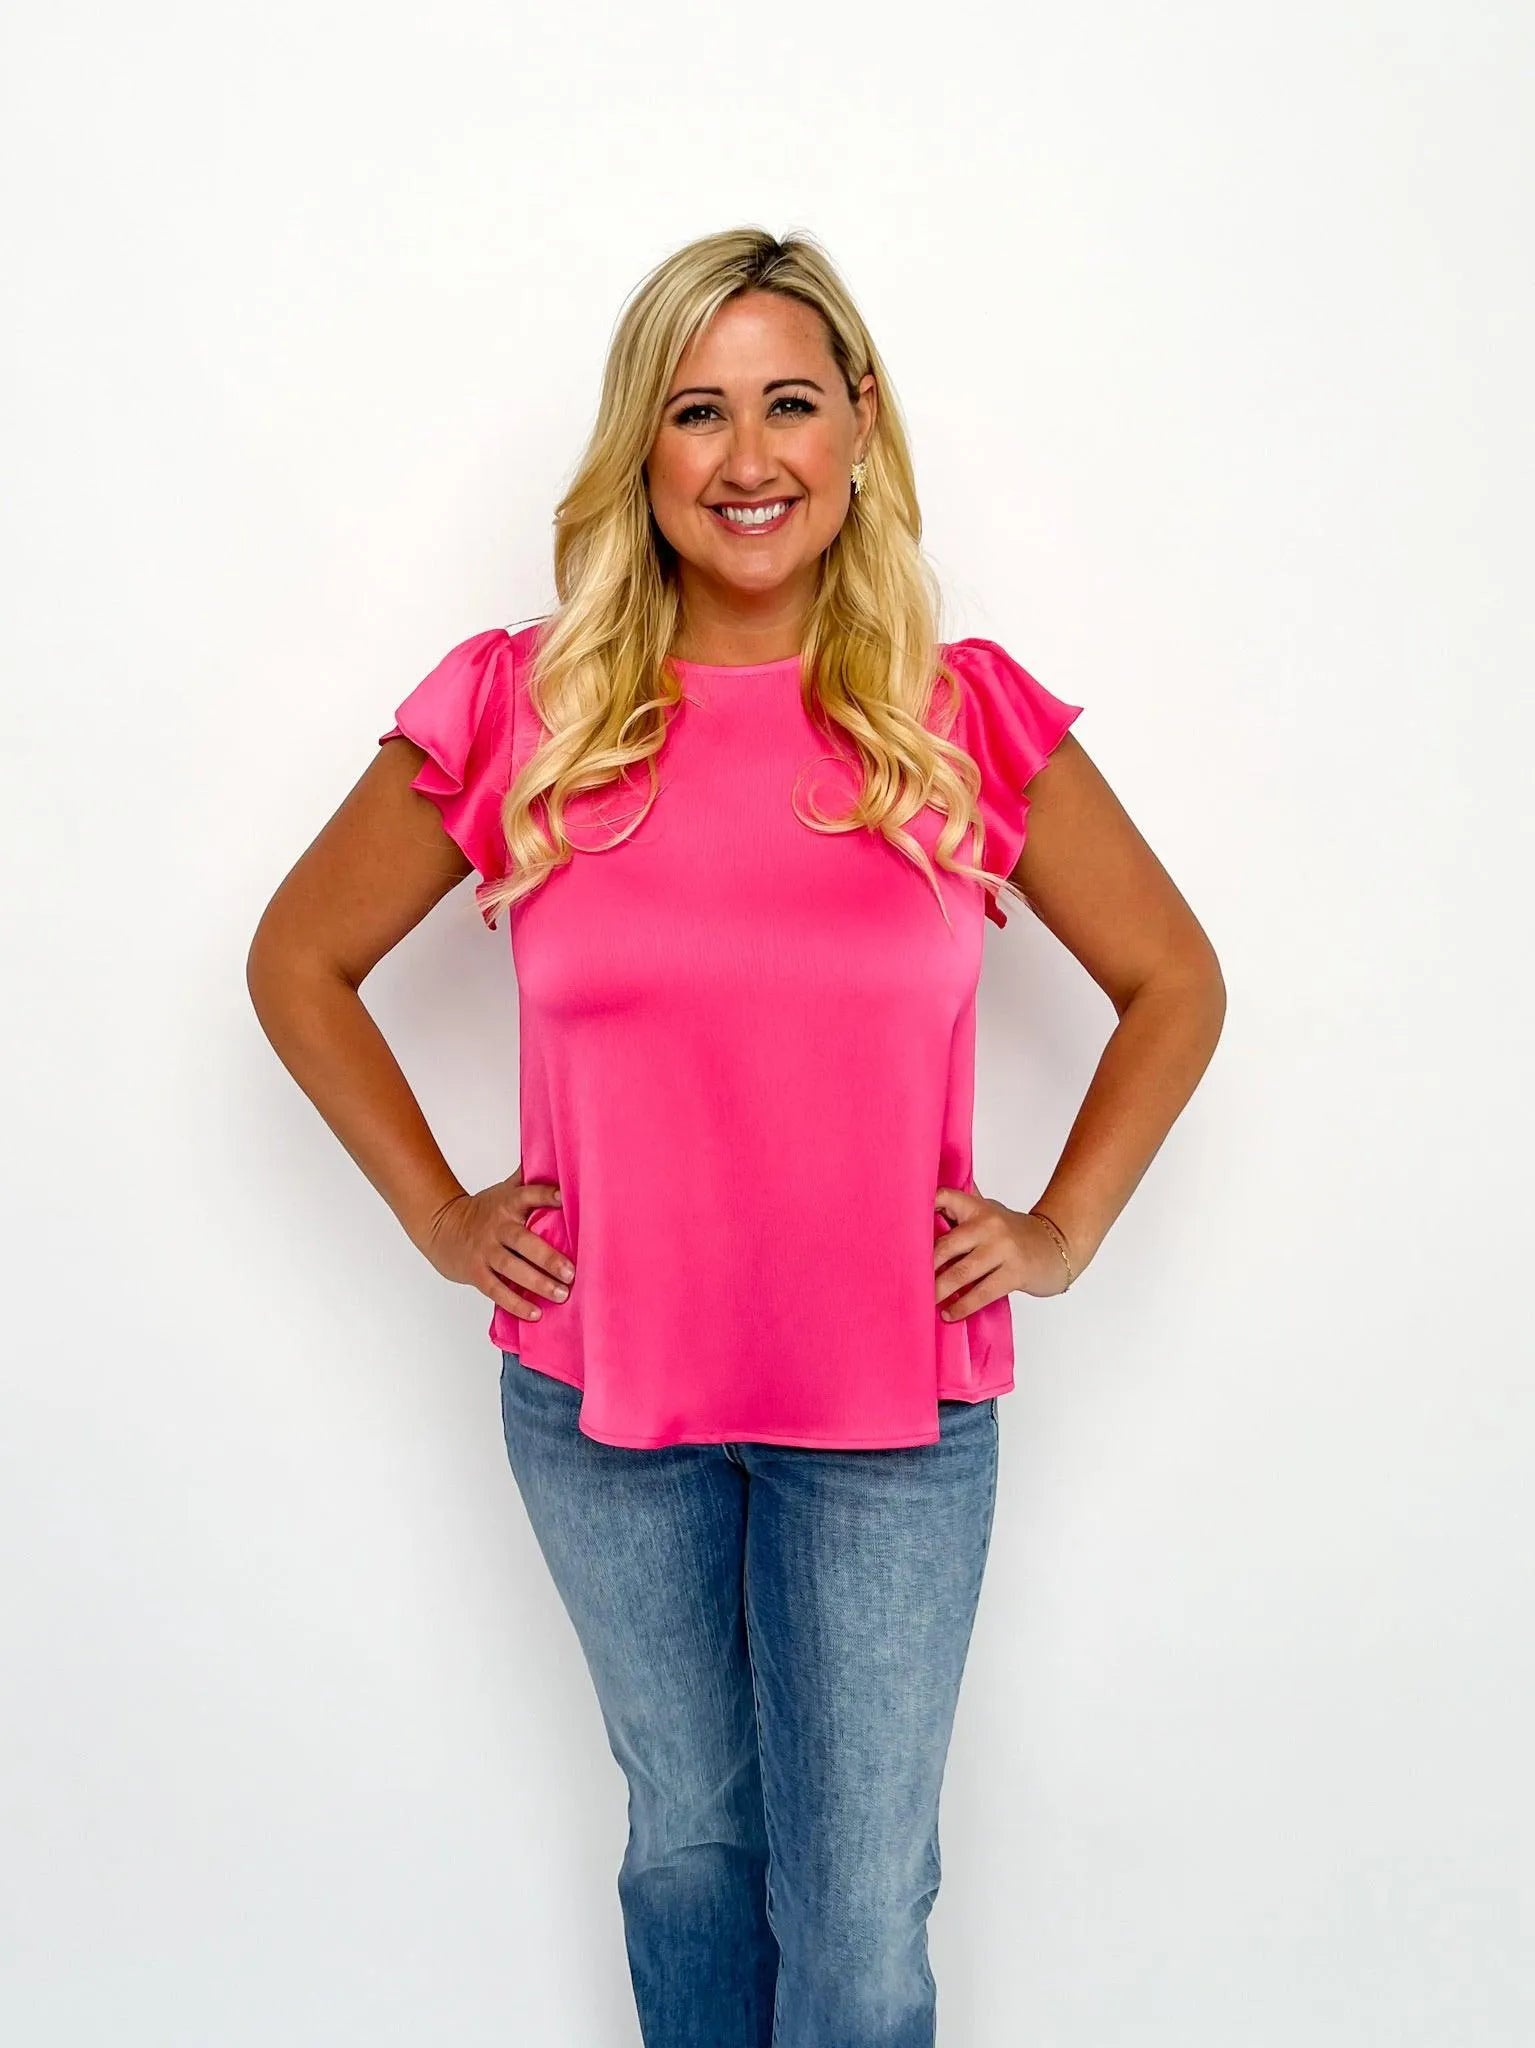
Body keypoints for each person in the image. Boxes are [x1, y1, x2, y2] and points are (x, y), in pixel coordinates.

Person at [247, 225, 1226, 2046]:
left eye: (790, 403)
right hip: (602, 1403)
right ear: (642, 448)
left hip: (894, 1412)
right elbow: (298, 960)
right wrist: (444, 1218)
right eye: (698, 411)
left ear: (861, 425)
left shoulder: (956, 715)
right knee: (691, 1849)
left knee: (860, 1914)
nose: (749, 456)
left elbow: (1175, 980)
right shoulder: (524, 709)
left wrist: (1061, 1229)